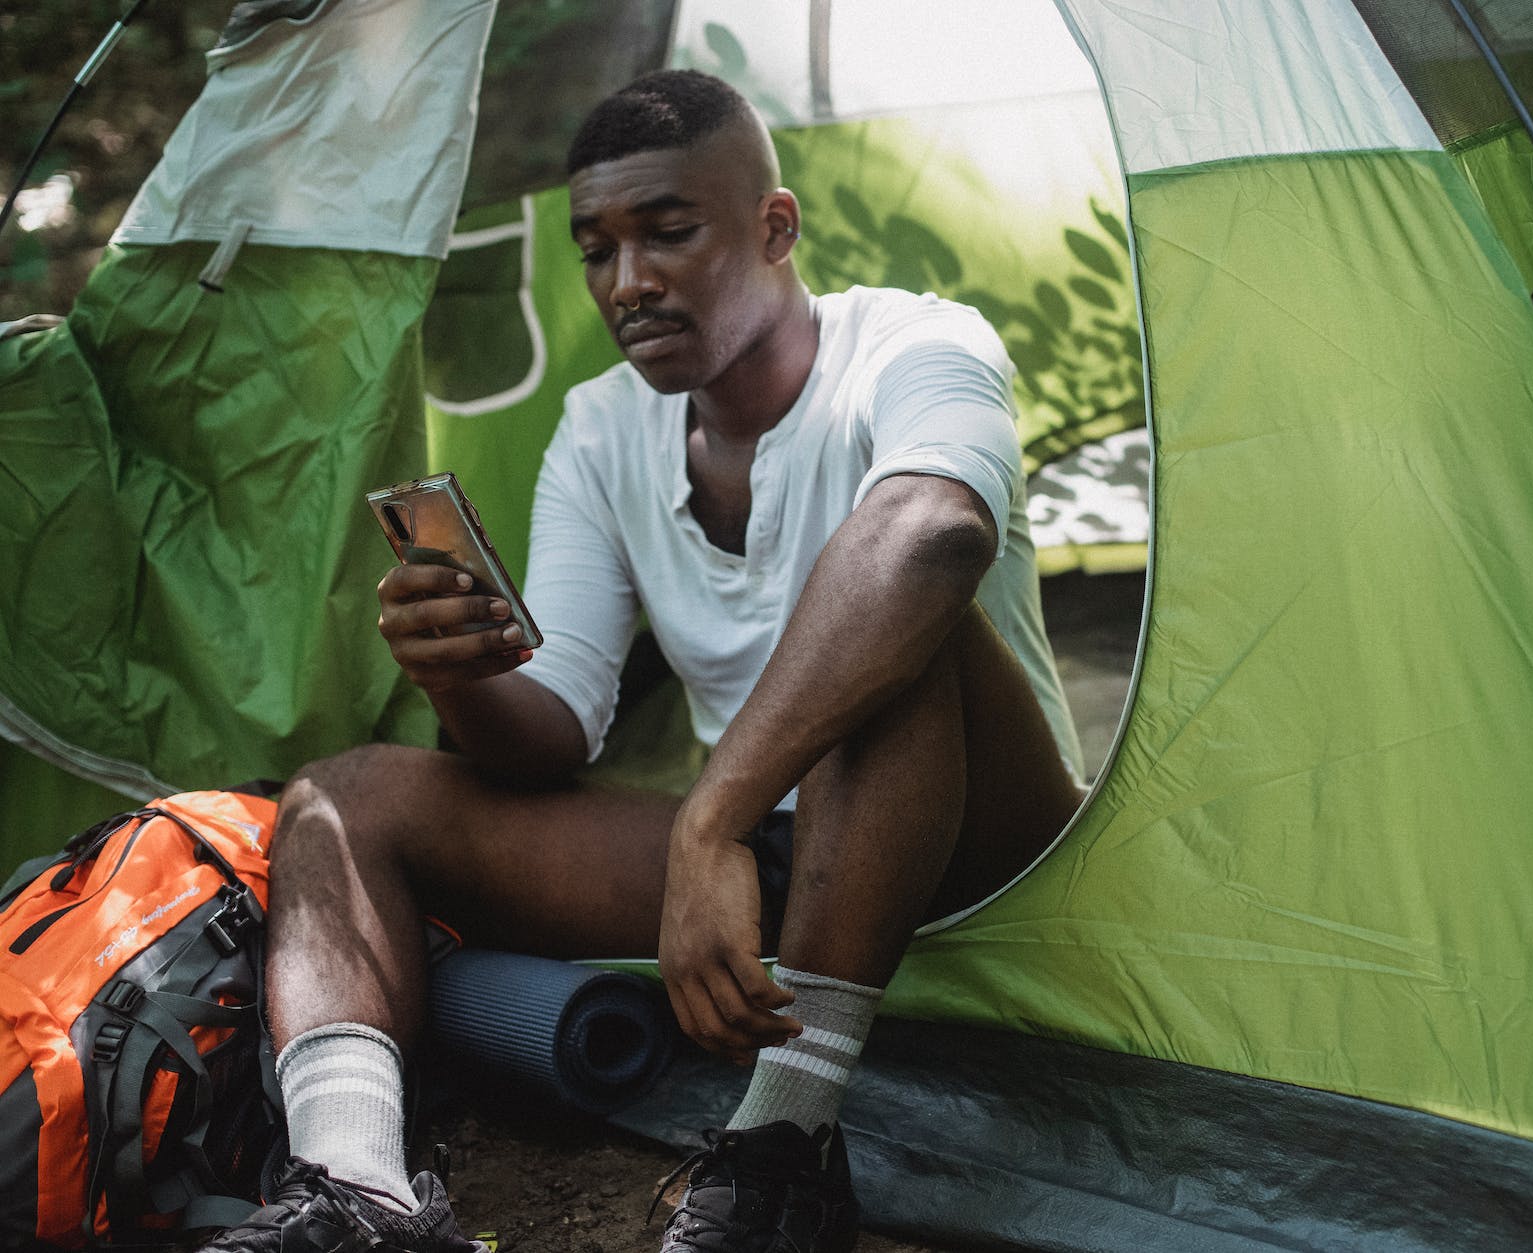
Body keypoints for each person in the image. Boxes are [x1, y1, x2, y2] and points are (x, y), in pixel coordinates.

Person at [206, 69, 1085, 1253]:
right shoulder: (601, 426)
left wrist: (706, 819)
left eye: (668, 233)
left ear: (774, 228)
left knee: (899, 619)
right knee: (339, 793)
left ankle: (782, 1151)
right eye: (597, 250)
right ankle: (354, 1187)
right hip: (782, 855)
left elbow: (936, 534)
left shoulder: (916, 343)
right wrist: (457, 673)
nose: (629, 282)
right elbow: (558, 718)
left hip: (987, 840)